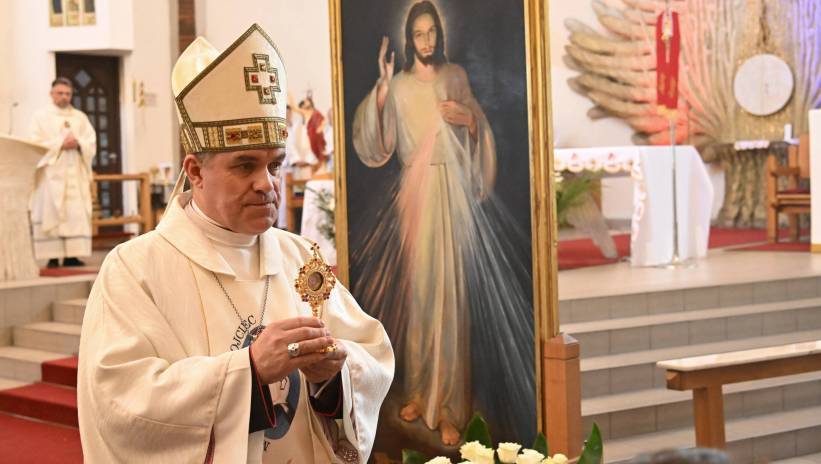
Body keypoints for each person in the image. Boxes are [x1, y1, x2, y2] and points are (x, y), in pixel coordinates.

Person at [77, 24, 394, 463]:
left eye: (275, 165)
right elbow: (120, 403)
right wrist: (248, 370)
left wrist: (334, 374)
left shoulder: (300, 257)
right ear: (195, 171)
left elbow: (372, 355)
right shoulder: (135, 268)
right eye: (245, 165)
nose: (267, 184)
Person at [351, 0, 534, 446]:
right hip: (416, 196)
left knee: (450, 299)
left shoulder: (454, 77)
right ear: (409, 39)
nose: (427, 40)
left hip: (451, 194)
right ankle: (420, 393)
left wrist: (470, 121)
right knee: (422, 297)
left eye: (432, 31)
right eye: (419, 33)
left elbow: (479, 131)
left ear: (440, 34)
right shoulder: (398, 85)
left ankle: (450, 406)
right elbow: (377, 143)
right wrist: (381, 86)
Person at [29, 77, 96, 268]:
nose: (64, 97)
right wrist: (60, 144)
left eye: (68, 93)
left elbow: (90, 141)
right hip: (51, 176)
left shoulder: (80, 117)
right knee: (51, 213)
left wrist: (79, 143)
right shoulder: (40, 117)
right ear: (51, 94)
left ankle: (72, 256)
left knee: (75, 213)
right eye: (60, 93)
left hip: (75, 174)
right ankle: (52, 257)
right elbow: (34, 144)